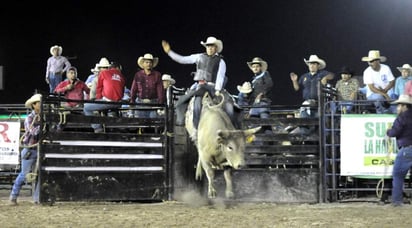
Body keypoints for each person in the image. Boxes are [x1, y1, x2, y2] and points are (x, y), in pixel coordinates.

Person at [161, 36, 227, 129]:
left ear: (216, 48)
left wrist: (217, 89)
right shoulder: (199, 57)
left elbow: (220, 76)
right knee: (190, 102)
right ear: (206, 47)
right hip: (199, 86)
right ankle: (189, 124)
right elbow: (182, 59)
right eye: (208, 46)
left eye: (212, 46)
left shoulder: (221, 61)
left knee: (226, 107)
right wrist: (169, 52)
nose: (210, 48)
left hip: (212, 87)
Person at [10, 93, 42, 205]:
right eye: (39, 103)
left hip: (40, 150)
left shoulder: (44, 117)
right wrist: (43, 124)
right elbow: (33, 131)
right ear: (34, 105)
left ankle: (37, 199)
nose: (41, 105)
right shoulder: (30, 118)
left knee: (40, 174)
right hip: (30, 149)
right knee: (24, 174)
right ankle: (13, 196)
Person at [83, 62, 126, 133]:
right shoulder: (122, 76)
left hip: (107, 101)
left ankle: (97, 128)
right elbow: (122, 92)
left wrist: (98, 99)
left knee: (86, 107)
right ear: (118, 68)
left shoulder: (103, 74)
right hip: (118, 102)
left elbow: (99, 89)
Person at [386, 94, 412, 207]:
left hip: (407, 149)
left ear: (404, 106)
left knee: (397, 175)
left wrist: (388, 132)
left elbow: (395, 132)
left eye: (398, 106)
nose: (397, 108)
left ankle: (397, 201)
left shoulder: (401, 118)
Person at [130, 53, 164, 118]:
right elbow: (133, 89)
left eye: (150, 62)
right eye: (146, 62)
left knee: (153, 123)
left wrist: (160, 103)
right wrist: (132, 101)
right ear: (143, 64)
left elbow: (160, 90)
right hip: (140, 102)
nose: (148, 64)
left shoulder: (157, 75)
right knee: (140, 122)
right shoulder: (138, 75)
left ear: (152, 64)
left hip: (153, 103)